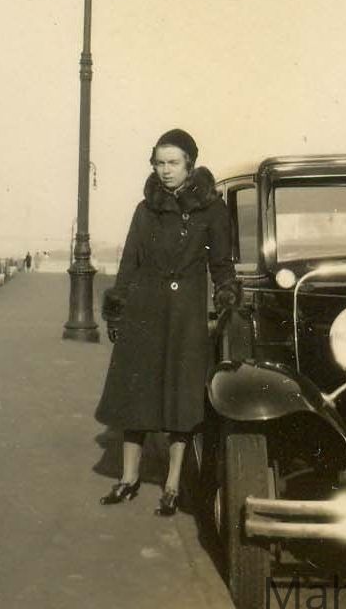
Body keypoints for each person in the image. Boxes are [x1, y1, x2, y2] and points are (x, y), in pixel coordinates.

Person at [94, 128, 240, 516]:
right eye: (159, 163)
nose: (165, 170)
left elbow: (221, 264)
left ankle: (173, 485)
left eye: (173, 162)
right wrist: (118, 305)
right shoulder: (145, 210)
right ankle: (128, 479)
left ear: (190, 164)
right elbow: (129, 261)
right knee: (135, 395)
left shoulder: (212, 210)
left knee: (181, 398)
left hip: (185, 315)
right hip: (144, 311)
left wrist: (226, 294)